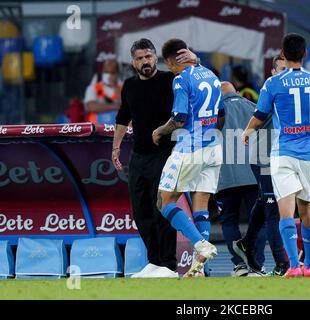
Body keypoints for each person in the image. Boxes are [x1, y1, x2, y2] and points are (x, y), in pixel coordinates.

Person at [241, 33, 310, 278]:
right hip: (309, 155)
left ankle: (294, 266)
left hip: (283, 154)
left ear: (283, 52)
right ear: (305, 54)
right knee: (307, 211)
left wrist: (247, 132)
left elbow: (260, 115)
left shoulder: (273, 84)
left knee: (286, 211)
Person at [112, 38, 198, 278]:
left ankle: (168, 265)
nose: (145, 62)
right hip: (138, 156)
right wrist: (115, 148)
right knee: (141, 211)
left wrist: (195, 60)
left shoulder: (171, 80)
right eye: (140, 59)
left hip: (165, 154)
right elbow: (122, 117)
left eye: (148, 57)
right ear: (133, 62)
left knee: (162, 208)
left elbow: (199, 81)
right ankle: (154, 261)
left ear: (155, 58)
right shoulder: (129, 86)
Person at [152, 38, 225, 278]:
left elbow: (180, 118)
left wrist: (160, 130)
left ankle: (200, 244)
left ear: (172, 61)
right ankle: (198, 269)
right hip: (214, 147)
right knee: (201, 206)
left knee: (165, 201)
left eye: (169, 64)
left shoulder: (181, 79)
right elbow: (221, 115)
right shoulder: (212, 76)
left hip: (190, 148)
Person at [232, 56, 289, 277]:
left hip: (281, 156)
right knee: (273, 207)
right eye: (282, 69)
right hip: (264, 156)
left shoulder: (289, 90)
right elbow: (258, 118)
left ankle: (246, 243)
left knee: (265, 201)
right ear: (273, 71)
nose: (286, 73)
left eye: (289, 68)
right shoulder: (270, 89)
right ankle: (282, 263)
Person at [216, 81, 267, 277]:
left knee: (229, 221)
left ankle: (240, 265)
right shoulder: (254, 109)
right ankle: (257, 264)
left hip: (225, 177)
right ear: (236, 92)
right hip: (254, 176)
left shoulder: (215, 112)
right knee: (259, 222)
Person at [84, 59, 122, 124]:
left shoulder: (123, 87)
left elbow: (127, 107)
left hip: (117, 129)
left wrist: (116, 86)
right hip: (96, 129)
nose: (109, 75)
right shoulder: (93, 87)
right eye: (106, 72)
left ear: (117, 74)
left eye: (112, 73)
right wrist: (115, 106)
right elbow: (91, 107)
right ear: (102, 72)